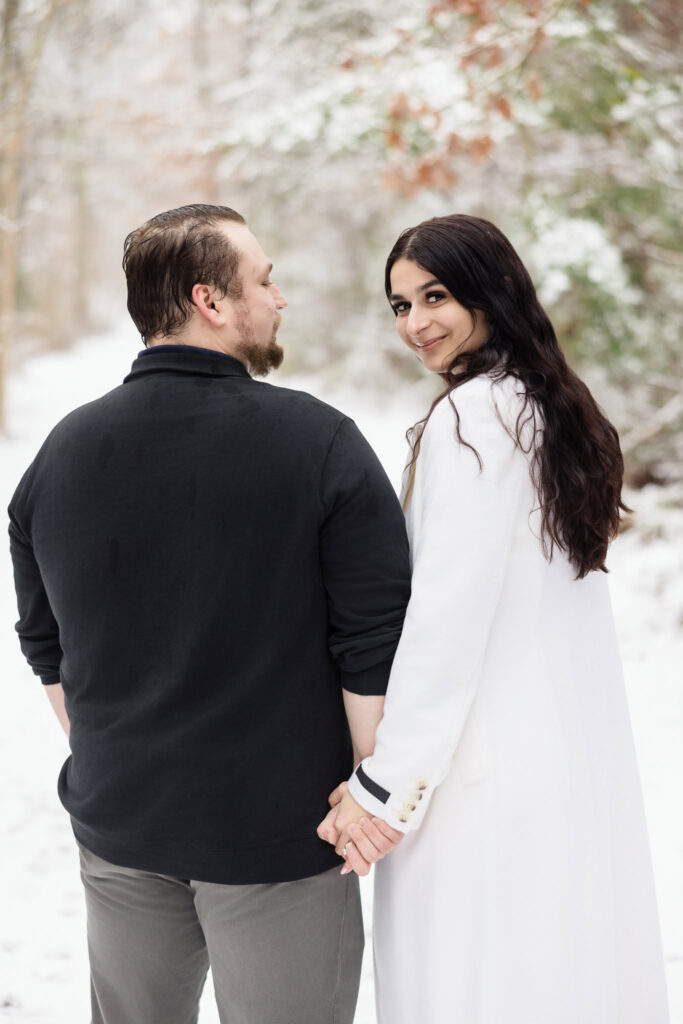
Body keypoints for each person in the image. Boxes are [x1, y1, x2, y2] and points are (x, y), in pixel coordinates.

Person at [8, 203, 410, 1024]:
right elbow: (372, 643)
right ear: (211, 301)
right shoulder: (320, 444)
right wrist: (364, 793)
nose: (279, 298)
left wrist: (122, 761)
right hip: (275, 839)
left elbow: (45, 645)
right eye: (264, 280)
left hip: (120, 825)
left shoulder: (60, 454)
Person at [318, 214, 670, 1023]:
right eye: (399, 306)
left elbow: (447, 616)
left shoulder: (475, 418)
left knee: (478, 985)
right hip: (556, 762)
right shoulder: (547, 409)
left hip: (480, 774)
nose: (415, 324)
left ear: (490, 288)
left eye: (433, 296)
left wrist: (384, 787)